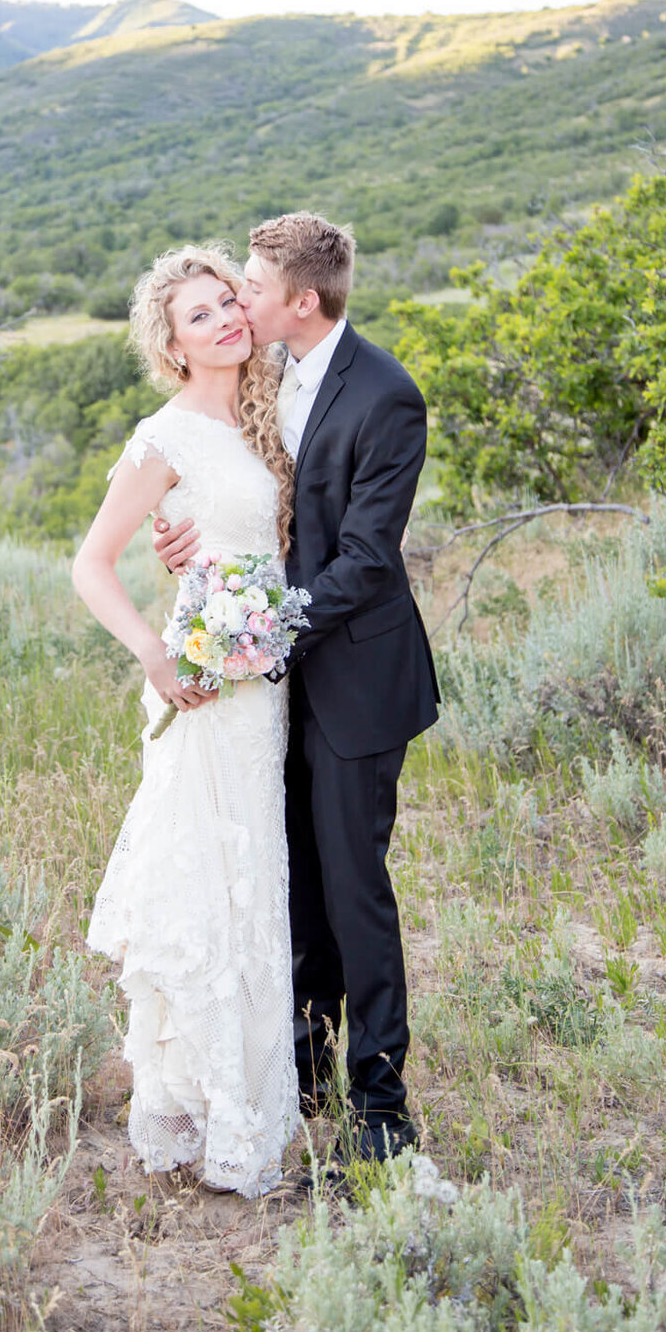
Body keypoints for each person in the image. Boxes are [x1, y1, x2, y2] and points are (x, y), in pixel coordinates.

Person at [153, 212, 440, 1165]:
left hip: (354, 674)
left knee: (356, 892)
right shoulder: (262, 381)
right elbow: (241, 499)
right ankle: (304, 1072)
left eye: (252, 286)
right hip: (274, 686)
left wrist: (255, 628)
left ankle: (381, 1102)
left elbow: (365, 560)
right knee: (298, 889)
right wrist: (185, 542)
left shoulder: (387, 396)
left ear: (301, 301)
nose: (239, 298)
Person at [72, 244, 299, 1196]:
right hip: (205, 686)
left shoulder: (273, 404)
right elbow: (90, 563)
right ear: (172, 347)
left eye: (228, 303)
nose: (226, 322)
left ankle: (255, 1092)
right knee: (215, 880)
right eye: (200, 316)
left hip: (270, 684)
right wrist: (156, 655)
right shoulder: (163, 439)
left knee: (261, 882)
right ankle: (210, 1104)